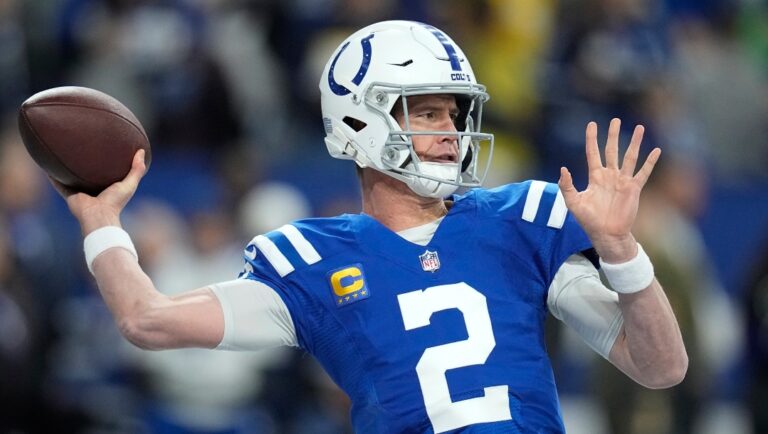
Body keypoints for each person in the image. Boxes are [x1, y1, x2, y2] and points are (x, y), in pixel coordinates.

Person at [49, 21, 687, 433]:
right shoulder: (311, 262)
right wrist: (101, 221)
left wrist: (622, 251)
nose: (450, 133)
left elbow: (661, 368)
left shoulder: (516, 222)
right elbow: (146, 319)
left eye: (455, 113)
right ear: (359, 124)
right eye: (426, 112)